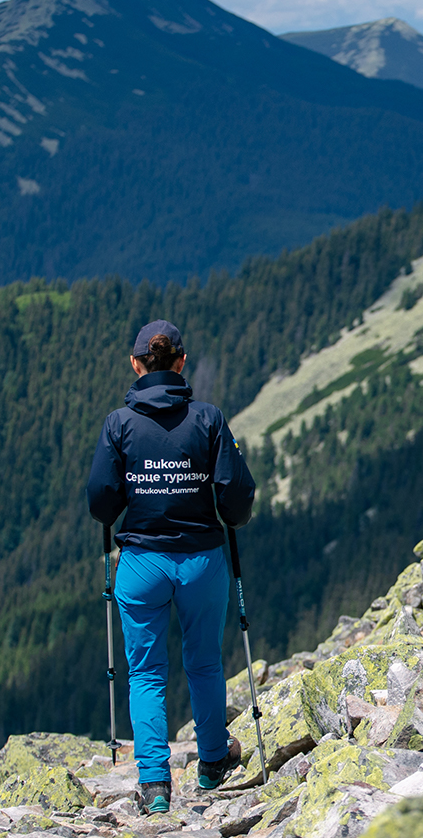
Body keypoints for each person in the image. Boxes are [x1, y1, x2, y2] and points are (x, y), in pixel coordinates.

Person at [86, 320, 256, 813]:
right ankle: (212, 763)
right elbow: (237, 498)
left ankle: (155, 786)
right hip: (202, 561)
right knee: (203, 662)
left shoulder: (119, 424)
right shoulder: (208, 419)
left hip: (141, 564)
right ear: (182, 362)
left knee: (145, 673)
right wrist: (228, 516)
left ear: (136, 365)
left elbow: (101, 501)